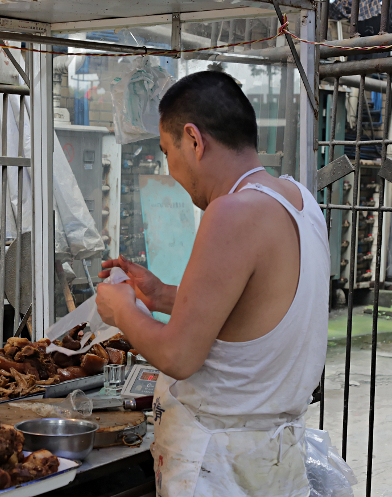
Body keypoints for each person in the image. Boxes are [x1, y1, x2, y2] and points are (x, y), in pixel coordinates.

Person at [96, 71, 329, 496]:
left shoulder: (232, 211)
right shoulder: (299, 201)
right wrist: (163, 294)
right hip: (270, 463)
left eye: (168, 151)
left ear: (194, 140)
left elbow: (179, 356)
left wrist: (122, 310)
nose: (172, 169)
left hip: (223, 469)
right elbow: (251, 312)